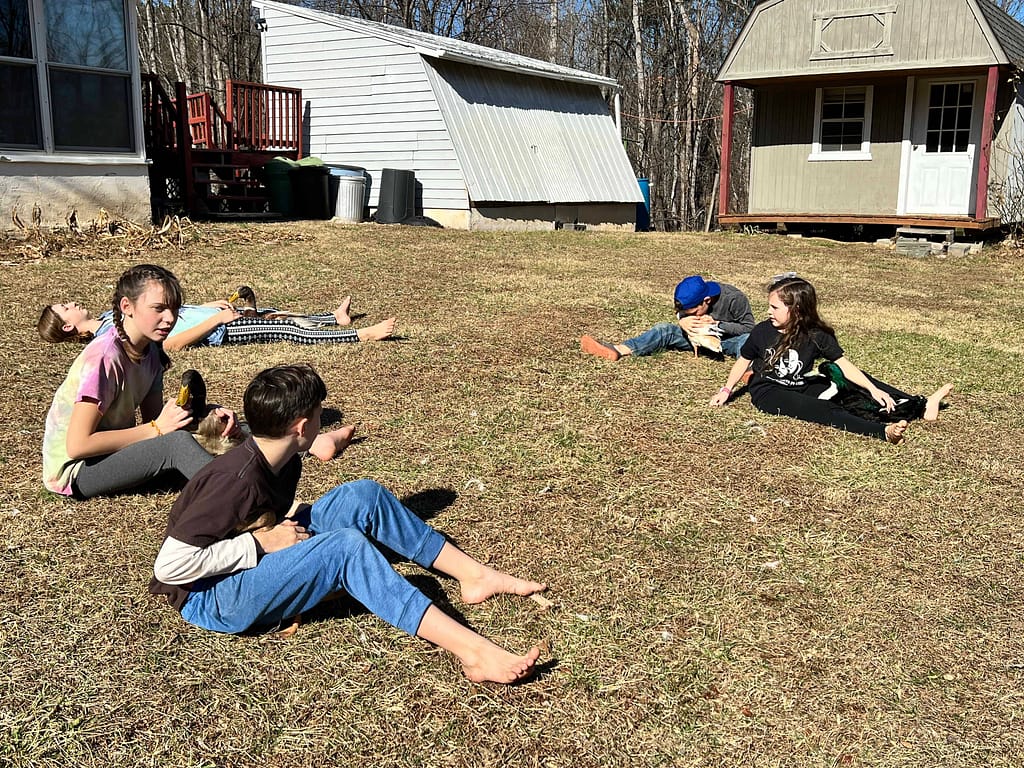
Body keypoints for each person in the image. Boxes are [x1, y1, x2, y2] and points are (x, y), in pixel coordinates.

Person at [150, 364, 547, 684]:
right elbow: (169, 568)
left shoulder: (282, 457)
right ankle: (474, 653)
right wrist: (260, 545)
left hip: (248, 561)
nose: (322, 423)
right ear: (301, 427)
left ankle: (475, 577)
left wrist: (273, 538)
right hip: (209, 598)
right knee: (345, 548)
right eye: (319, 415)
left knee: (363, 496)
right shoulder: (233, 482)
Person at [41, 264, 241, 499]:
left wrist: (209, 416)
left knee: (239, 429)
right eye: (159, 308)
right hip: (76, 470)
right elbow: (78, 445)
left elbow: (154, 421)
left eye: (174, 309)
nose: (170, 319)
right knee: (177, 445)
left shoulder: (151, 351)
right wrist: (157, 428)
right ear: (127, 306)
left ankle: (253, 479)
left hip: (114, 453)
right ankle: (244, 500)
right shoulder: (104, 358)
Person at [709, 275, 953, 444]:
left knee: (856, 384)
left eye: (775, 307)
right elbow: (743, 360)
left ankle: (921, 405)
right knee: (823, 409)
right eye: (769, 307)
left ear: (796, 310)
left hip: (800, 384)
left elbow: (844, 364)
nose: (768, 312)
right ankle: (882, 432)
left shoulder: (816, 335)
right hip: (769, 392)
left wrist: (873, 388)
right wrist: (726, 390)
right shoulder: (762, 331)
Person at [38, 293, 397, 351]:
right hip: (220, 331)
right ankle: (360, 335)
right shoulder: (112, 333)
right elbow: (170, 343)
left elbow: (171, 313)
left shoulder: (109, 316)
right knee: (285, 330)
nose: (72, 303)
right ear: (67, 326)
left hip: (216, 317)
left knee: (271, 313)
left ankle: (333, 318)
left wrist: (207, 306)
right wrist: (217, 320)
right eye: (65, 308)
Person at [580, 275, 755, 361]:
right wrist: (682, 320)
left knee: (746, 341)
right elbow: (681, 312)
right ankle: (619, 350)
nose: (693, 315)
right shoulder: (690, 295)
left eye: (694, 313)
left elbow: (749, 327)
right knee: (664, 329)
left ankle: (749, 370)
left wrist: (718, 324)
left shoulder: (734, 298)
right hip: (693, 337)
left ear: (707, 300)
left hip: (725, 341)